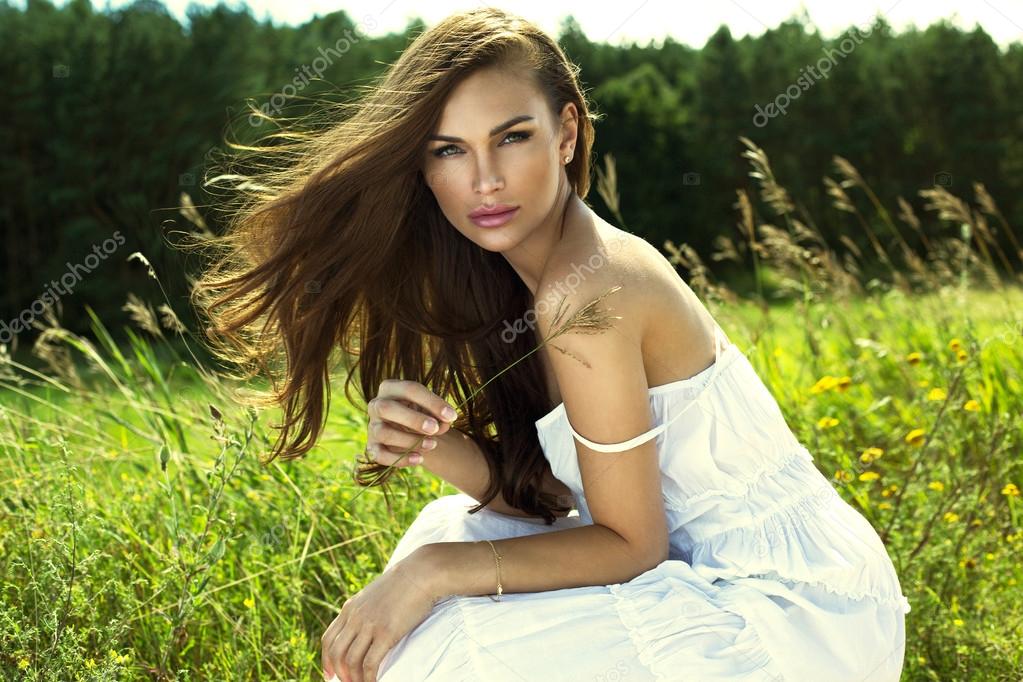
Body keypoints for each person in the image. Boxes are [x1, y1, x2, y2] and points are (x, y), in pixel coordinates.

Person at [192, 8, 910, 682]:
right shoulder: (528, 287)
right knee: (450, 560)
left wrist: (430, 572)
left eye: (512, 137)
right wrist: (437, 448)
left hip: (792, 606)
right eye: (449, 150)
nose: (484, 180)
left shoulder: (586, 293)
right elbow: (567, 502)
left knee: (450, 624)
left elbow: (631, 545)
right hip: (709, 568)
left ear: (565, 133)